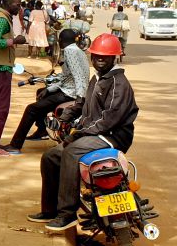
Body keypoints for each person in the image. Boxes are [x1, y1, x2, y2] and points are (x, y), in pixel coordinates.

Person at [29, 34, 138, 230]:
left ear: (115, 58)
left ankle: (67, 213)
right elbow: (84, 102)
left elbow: (109, 119)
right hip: (94, 133)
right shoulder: (97, 78)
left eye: (105, 56)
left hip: (111, 136)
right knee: (50, 156)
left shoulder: (118, 83)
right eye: (96, 56)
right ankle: (50, 210)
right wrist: (67, 114)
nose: (99, 60)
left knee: (71, 152)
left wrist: (79, 133)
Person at [5, 28, 90, 153]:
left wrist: (80, 97)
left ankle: (15, 145)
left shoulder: (69, 51)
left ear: (61, 40)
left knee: (31, 109)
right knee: (41, 92)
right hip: (70, 89)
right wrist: (49, 88)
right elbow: (68, 76)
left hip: (70, 93)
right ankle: (42, 130)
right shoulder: (78, 50)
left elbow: (78, 76)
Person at [0, 0, 29, 156]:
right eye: (17, 4)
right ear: (9, 4)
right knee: (0, 107)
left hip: (3, 67)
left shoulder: (3, 18)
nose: (19, 7)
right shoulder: (2, 20)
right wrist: (14, 41)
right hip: (0, 68)